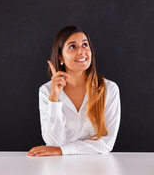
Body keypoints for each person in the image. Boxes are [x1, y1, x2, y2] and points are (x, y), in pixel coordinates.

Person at [26, 25, 121, 157]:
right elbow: (53, 142)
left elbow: (106, 143)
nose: (82, 51)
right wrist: (54, 98)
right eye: (72, 46)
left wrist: (62, 150)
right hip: (59, 166)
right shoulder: (46, 91)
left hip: (97, 167)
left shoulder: (109, 89)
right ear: (60, 57)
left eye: (85, 45)